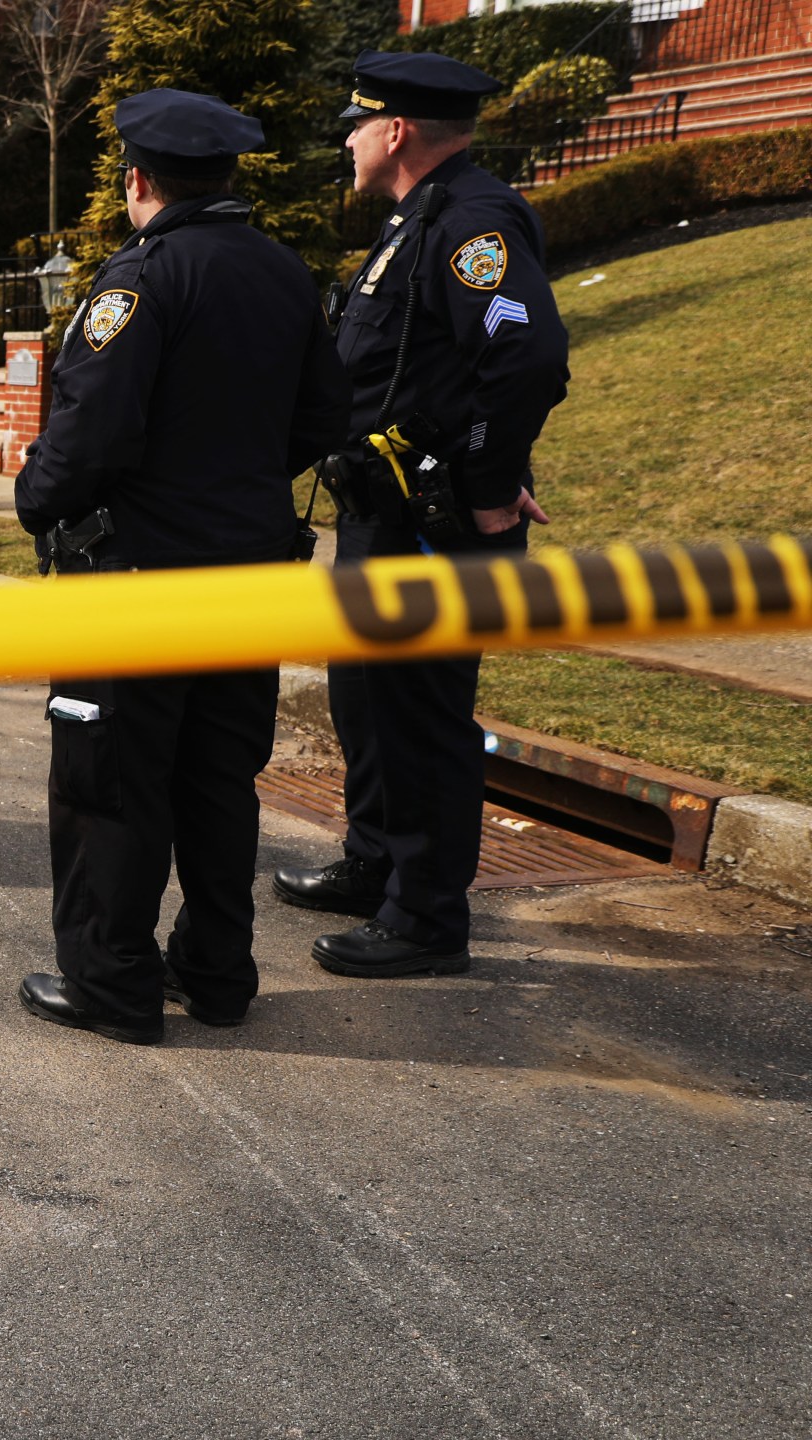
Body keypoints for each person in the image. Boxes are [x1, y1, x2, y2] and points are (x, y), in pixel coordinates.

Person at [13, 89, 350, 1045]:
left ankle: (111, 984)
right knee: (216, 776)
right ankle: (214, 973)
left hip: (134, 577)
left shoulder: (140, 281)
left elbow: (89, 437)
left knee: (109, 777)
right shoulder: (285, 273)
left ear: (137, 181)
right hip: (247, 578)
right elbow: (328, 416)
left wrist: (35, 499)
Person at [272, 52, 570, 979]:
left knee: (422, 715)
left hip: (434, 525)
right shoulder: (418, 220)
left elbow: (523, 362)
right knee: (367, 703)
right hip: (383, 511)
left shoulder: (472, 222)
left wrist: (486, 487)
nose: (348, 143)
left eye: (356, 126)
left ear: (395, 132)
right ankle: (376, 865)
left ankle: (427, 917)